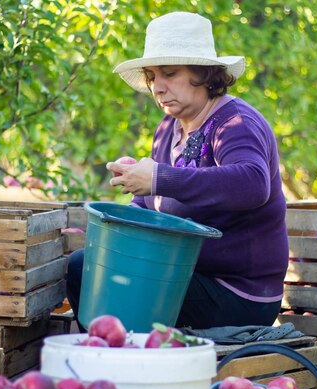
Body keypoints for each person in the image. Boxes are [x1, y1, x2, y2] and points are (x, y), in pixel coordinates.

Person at [66, 11, 288, 330]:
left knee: (108, 279)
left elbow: (252, 183)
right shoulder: (169, 128)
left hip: (237, 294)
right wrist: (118, 227)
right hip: (184, 274)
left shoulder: (235, 124)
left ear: (204, 73)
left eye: (169, 73)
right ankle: (116, 362)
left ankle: (122, 364)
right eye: (152, 76)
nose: (158, 87)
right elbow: (152, 205)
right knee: (85, 267)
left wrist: (158, 177)